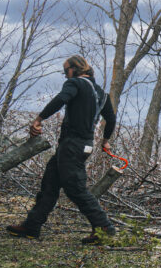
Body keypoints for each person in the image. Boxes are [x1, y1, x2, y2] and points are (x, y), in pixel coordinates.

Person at [7, 56, 118, 244]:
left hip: (71, 146)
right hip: (83, 145)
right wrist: (105, 141)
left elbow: (60, 99)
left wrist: (39, 119)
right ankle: (32, 226)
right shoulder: (102, 94)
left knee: (75, 189)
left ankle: (104, 227)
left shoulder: (75, 83)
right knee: (50, 184)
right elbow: (111, 119)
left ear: (76, 69)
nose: (65, 75)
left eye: (65, 71)